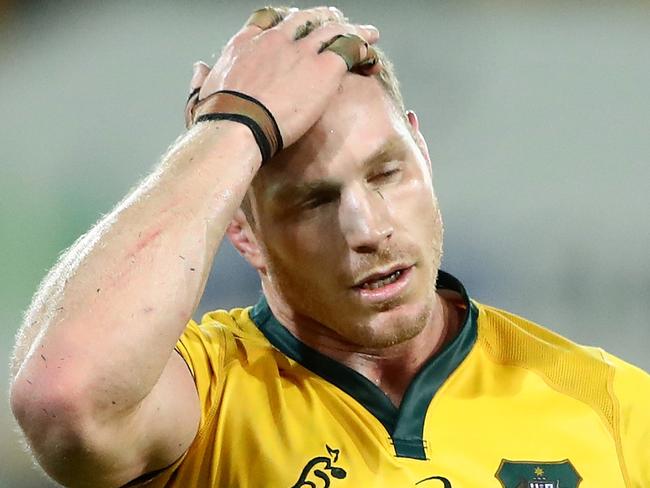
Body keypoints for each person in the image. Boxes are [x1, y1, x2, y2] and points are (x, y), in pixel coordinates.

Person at [8, 5, 649, 488]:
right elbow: (63, 399)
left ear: (423, 152)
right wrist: (230, 130)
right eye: (314, 201)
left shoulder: (613, 405)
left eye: (387, 172)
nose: (367, 229)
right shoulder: (207, 402)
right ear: (243, 232)